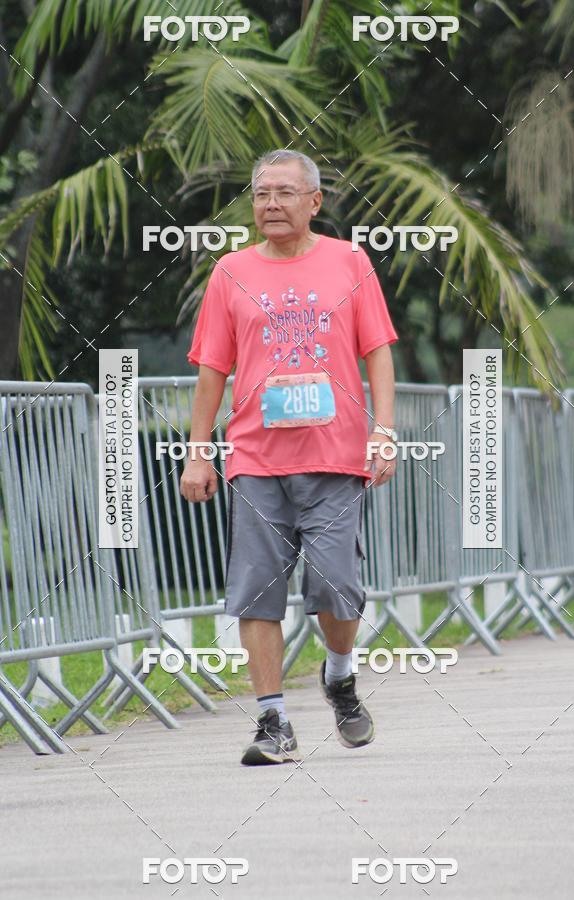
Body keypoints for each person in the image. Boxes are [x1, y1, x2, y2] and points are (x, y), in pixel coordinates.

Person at [181, 149, 399, 766]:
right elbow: (212, 371)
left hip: (335, 454)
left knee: (336, 587)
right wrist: (200, 454)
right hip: (255, 457)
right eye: (260, 194)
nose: (270, 204)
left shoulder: (350, 262)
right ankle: (273, 720)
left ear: (314, 201)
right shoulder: (231, 272)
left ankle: (339, 676)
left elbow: (378, 351)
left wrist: (384, 433)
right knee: (257, 593)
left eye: (283, 193)